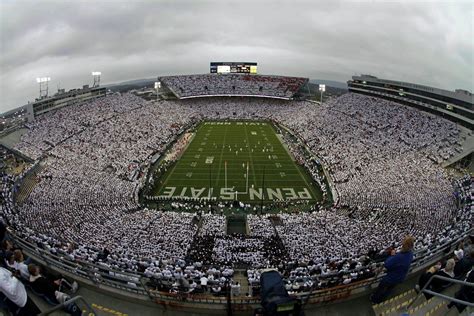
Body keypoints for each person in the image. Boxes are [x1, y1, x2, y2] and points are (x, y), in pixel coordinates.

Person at [371, 236, 414, 304]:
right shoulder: (411, 253)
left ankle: (374, 300)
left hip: (391, 277)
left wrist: (392, 255)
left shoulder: (399, 256)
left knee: (381, 287)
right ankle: (382, 299)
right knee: (389, 289)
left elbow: (387, 264)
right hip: (401, 277)